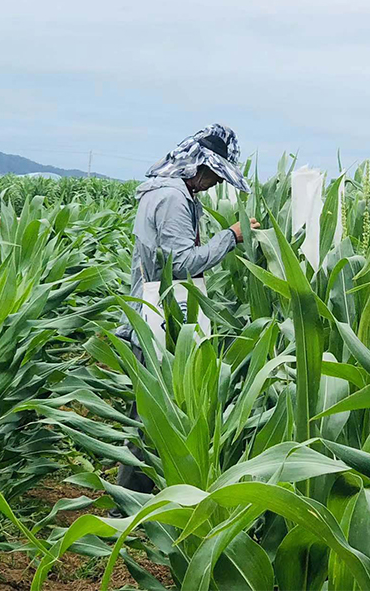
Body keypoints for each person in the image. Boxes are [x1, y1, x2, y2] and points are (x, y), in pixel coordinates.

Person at [113, 124, 259, 494]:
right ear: (198, 166)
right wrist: (230, 237)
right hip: (158, 317)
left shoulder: (169, 191)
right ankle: (130, 500)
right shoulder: (174, 198)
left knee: (153, 411)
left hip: (154, 312)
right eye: (216, 174)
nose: (217, 182)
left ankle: (146, 492)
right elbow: (179, 264)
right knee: (152, 416)